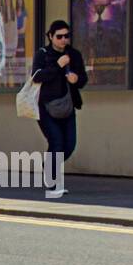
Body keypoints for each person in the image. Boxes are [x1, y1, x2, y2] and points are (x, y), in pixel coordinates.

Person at [30, 19, 88, 198]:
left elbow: (83, 79)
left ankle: (49, 166)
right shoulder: (43, 54)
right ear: (50, 37)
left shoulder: (74, 55)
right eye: (59, 36)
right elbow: (37, 77)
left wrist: (76, 80)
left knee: (69, 145)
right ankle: (53, 184)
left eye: (66, 36)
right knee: (56, 141)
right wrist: (58, 65)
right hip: (45, 108)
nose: (63, 40)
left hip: (67, 107)